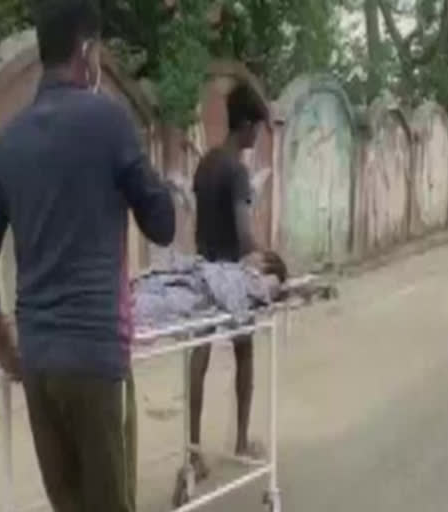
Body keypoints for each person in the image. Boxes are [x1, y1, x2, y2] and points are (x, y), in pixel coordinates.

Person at [0, 0, 175, 510]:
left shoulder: (7, 141)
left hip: (37, 362)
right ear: (87, 49)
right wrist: (147, 176)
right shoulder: (111, 121)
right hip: (95, 357)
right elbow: (162, 226)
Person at [189, 83, 286, 480]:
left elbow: (200, 227)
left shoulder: (206, 164)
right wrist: (271, 261)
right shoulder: (237, 172)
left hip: (204, 272)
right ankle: (242, 440)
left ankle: (192, 449)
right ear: (244, 125)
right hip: (232, 278)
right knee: (244, 352)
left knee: (200, 354)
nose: (256, 138)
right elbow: (245, 237)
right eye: (256, 130)